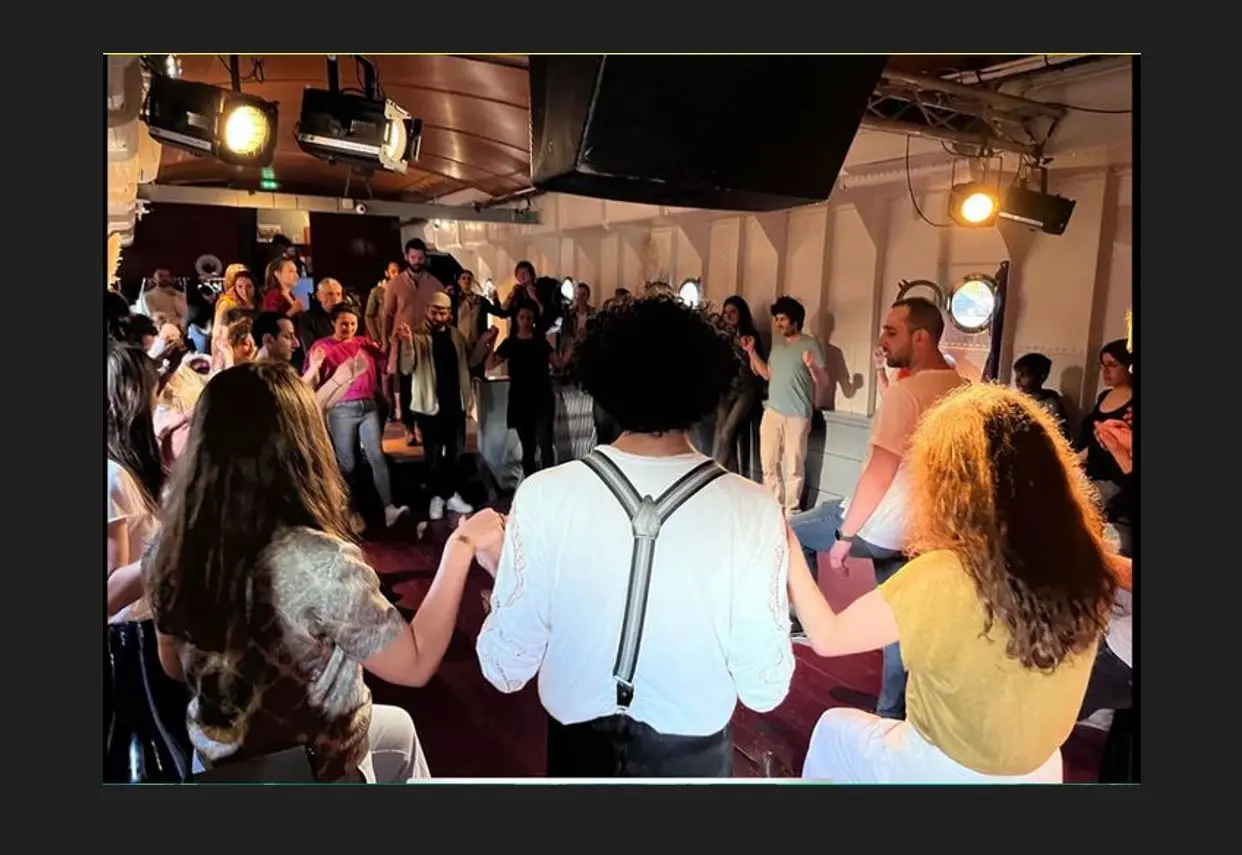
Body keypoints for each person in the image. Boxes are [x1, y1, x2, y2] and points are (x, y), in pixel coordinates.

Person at [477, 294, 795, 777]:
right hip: (696, 758)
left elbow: (505, 668)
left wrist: (507, 579)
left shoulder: (544, 495)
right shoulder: (752, 507)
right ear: (706, 386)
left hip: (577, 753)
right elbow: (765, 687)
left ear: (604, 384)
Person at [144, 361, 506, 782]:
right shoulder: (319, 561)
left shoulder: (166, 548)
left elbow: (171, 665)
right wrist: (460, 547)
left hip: (215, 762)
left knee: (400, 729)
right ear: (302, 446)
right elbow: (416, 662)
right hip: (311, 771)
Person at [791, 383, 1117, 783]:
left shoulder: (946, 573)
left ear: (952, 485)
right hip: (1042, 768)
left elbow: (828, 637)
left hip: (947, 766)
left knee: (831, 730)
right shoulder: (1085, 561)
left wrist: (788, 541)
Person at [787, 297, 965, 718]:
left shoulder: (907, 394)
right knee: (898, 618)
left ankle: (802, 620)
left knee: (787, 531)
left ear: (920, 337)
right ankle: (892, 712)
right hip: (921, 530)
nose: (882, 339)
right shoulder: (959, 388)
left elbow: (879, 474)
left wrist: (846, 537)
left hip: (878, 526)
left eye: (891, 331)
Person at [303, 304, 409, 528]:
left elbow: (387, 366)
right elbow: (310, 383)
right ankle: (346, 511)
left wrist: (397, 342)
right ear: (333, 322)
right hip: (341, 409)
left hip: (368, 406)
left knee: (377, 456)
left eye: (353, 323)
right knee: (347, 463)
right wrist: (316, 366)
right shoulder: (322, 346)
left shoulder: (363, 343)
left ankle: (389, 507)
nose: (349, 328)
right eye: (343, 323)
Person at [396, 292, 497, 520]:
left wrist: (485, 342)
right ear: (427, 311)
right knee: (432, 455)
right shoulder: (417, 335)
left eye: (443, 312)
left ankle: (449, 494)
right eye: (434, 311)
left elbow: (470, 361)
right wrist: (408, 343)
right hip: (428, 404)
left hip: (455, 403)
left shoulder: (455, 335)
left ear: (449, 313)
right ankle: (436, 497)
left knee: (455, 453)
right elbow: (405, 367)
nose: (439, 316)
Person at [743, 296, 829, 515]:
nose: (779, 324)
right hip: (772, 411)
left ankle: (791, 510)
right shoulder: (778, 347)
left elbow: (824, 381)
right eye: (777, 319)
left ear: (795, 321)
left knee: (794, 466)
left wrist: (811, 366)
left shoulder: (810, 344)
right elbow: (767, 374)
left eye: (782, 319)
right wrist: (751, 352)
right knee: (768, 463)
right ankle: (773, 506)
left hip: (798, 414)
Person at [107, 344, 164, 621]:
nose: (159, 400)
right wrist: (172, 548)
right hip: (130, 636)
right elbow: (109, 591)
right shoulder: (112, 475)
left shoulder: (133, 468)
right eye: (155, 391)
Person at [486, 305, 567, 477]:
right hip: (520, 398)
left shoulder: (540, 342)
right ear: (516, 319)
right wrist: (491, 341)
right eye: (522, 318)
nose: (525, 322)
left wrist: (573, 346)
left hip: (542, 396)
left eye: (529, 318)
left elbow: (559, 363)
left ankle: (548, 482)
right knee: (527, 447)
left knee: (546, 444)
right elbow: (490, 364)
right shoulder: (510, 343)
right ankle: (531, 484)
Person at [712, 295, 765, 472]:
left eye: (733, 311)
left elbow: (756, 367)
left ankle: (715, 472)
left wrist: (747, 349)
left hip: (745, 388)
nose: (728, 315)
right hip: (726, 388)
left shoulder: (751, 336)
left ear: (741, 313)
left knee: (728, 430)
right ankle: (729, 475)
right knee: (721, 433)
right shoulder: (720, 335)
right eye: (725, 312)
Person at [1013, 352, 1070, 437]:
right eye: (1017, 375)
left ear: (1042, 377)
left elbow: (1062, 436)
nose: (1017, 380)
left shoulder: (1050, 405)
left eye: (1023, 375)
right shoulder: (1015, 399)